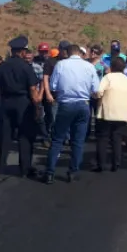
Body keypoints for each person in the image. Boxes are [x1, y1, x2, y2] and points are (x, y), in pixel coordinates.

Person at [42, 43, 99, 184]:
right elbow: (96, 89)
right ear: (80, 53)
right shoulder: (89, 66)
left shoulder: (61, 65)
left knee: (57, 139)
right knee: (78, 141)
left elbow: (54, 85)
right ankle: (73, 171)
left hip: (66, 104)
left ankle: (49, 172)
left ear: (67, 53)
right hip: (83, 104)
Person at [0, 37, 42, 177]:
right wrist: (37, 105)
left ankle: (0, 168)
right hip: (23, 103)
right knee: (24, 136)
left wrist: (1, 102)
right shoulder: (26, 67)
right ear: (21, 52)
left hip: (6, 102)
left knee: (5, 136)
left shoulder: (2, 66)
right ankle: (24, 169)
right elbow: (33, 89)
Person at [93, 56, 127, 172]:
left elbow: (98, 91)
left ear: (111, 67)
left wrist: (97, 98)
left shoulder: (108, 77)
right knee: (117, 139)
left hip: (106, 113)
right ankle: (116, 164)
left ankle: (101, 164)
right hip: (122, 114)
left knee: (103, 138)